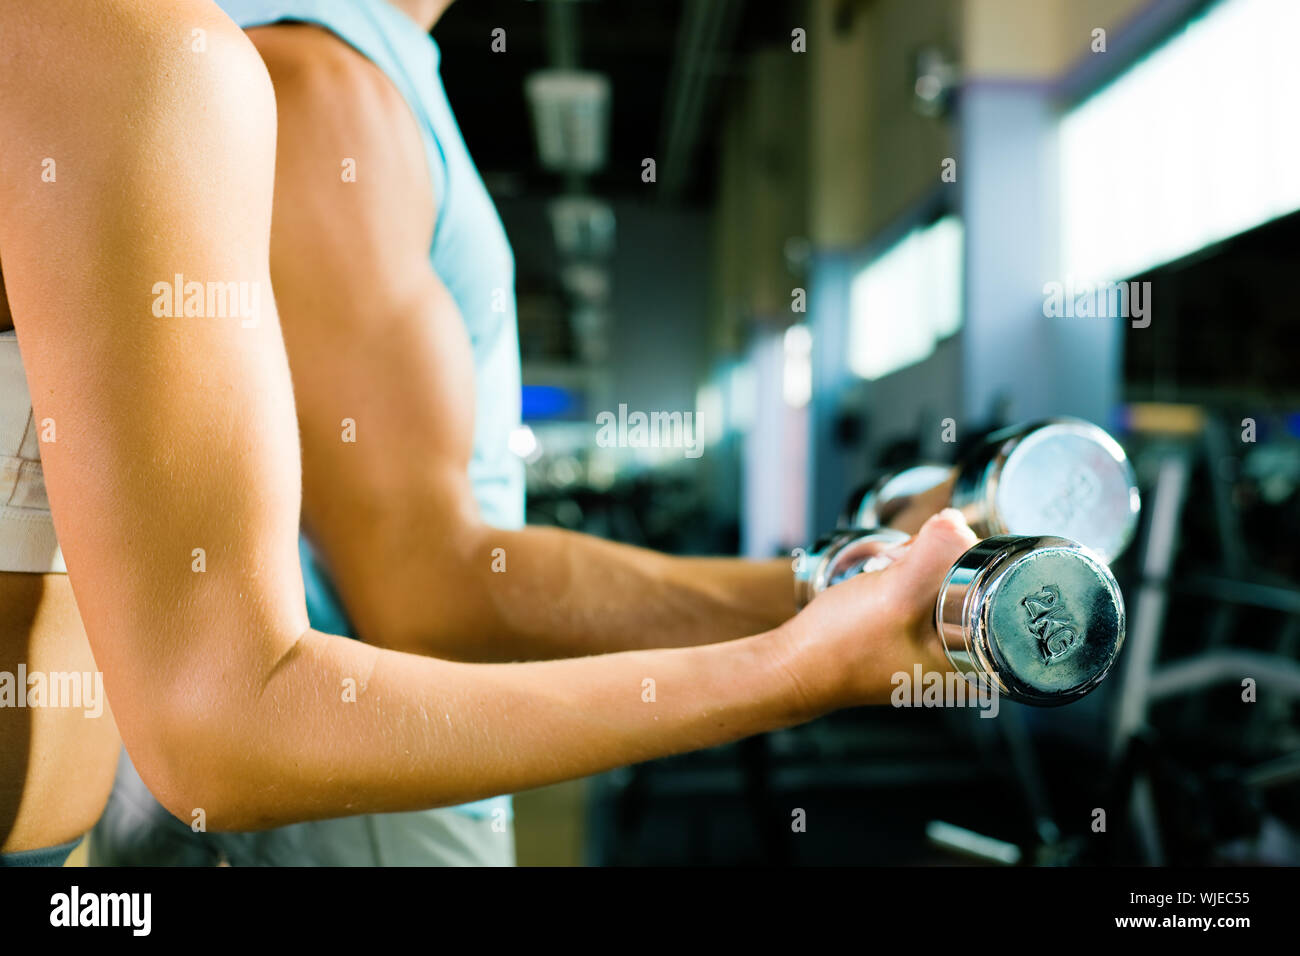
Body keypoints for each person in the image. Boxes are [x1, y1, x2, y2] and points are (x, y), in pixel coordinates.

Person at [0, 0, 979, 868]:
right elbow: (262, 688)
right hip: (347, 770)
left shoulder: (259, 66)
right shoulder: (264, 74)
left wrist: (835, 583)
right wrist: (798, 656)